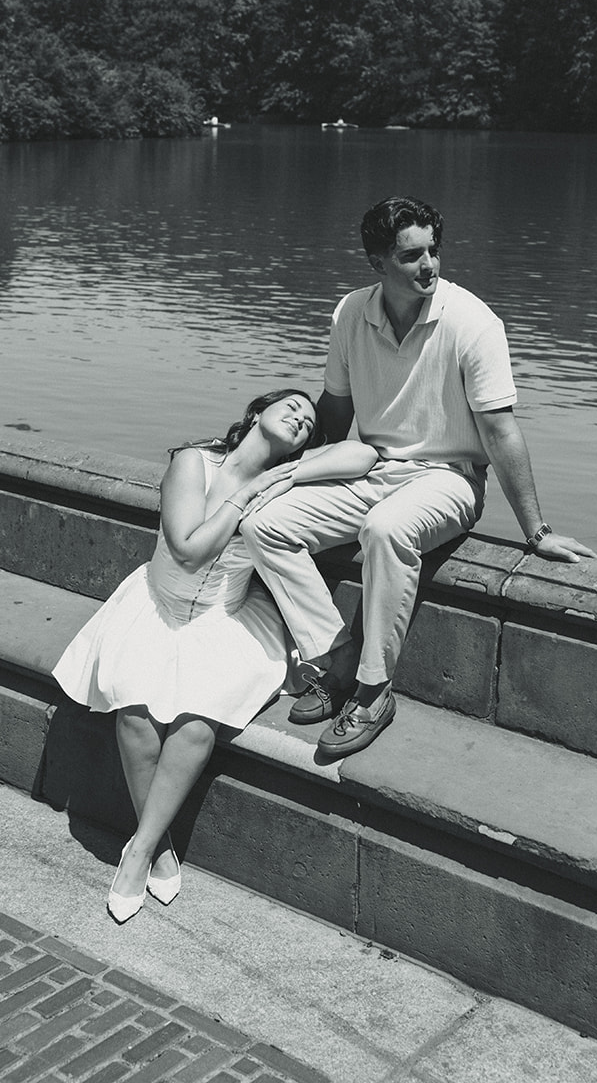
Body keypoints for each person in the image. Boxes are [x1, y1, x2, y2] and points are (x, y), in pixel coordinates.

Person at [241, 196, 597, 761]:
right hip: (374, 466)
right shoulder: (349, 313)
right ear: (377, 262)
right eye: (411, 256)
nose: (429, 265)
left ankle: (373, 689)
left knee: (386, 530)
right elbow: (336, 408)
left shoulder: (472, 322)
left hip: (449, 478)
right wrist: (297, 472)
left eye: (433, 250)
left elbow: (501, 432)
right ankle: (334, 657)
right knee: (264, 523)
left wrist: (537, 531)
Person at [52, 388, 377, 923]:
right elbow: (186, 548)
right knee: (134, 712)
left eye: (309, 419)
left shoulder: (287, 483)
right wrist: (245, 497)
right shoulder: (194, 462)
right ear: (256, 413)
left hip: (226, 617)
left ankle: (138, 851)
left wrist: (286, 475)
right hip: (156, 604)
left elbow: (365, 457)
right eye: (290, 406)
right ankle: (157, 848)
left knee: (196, 725)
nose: (300, 416)